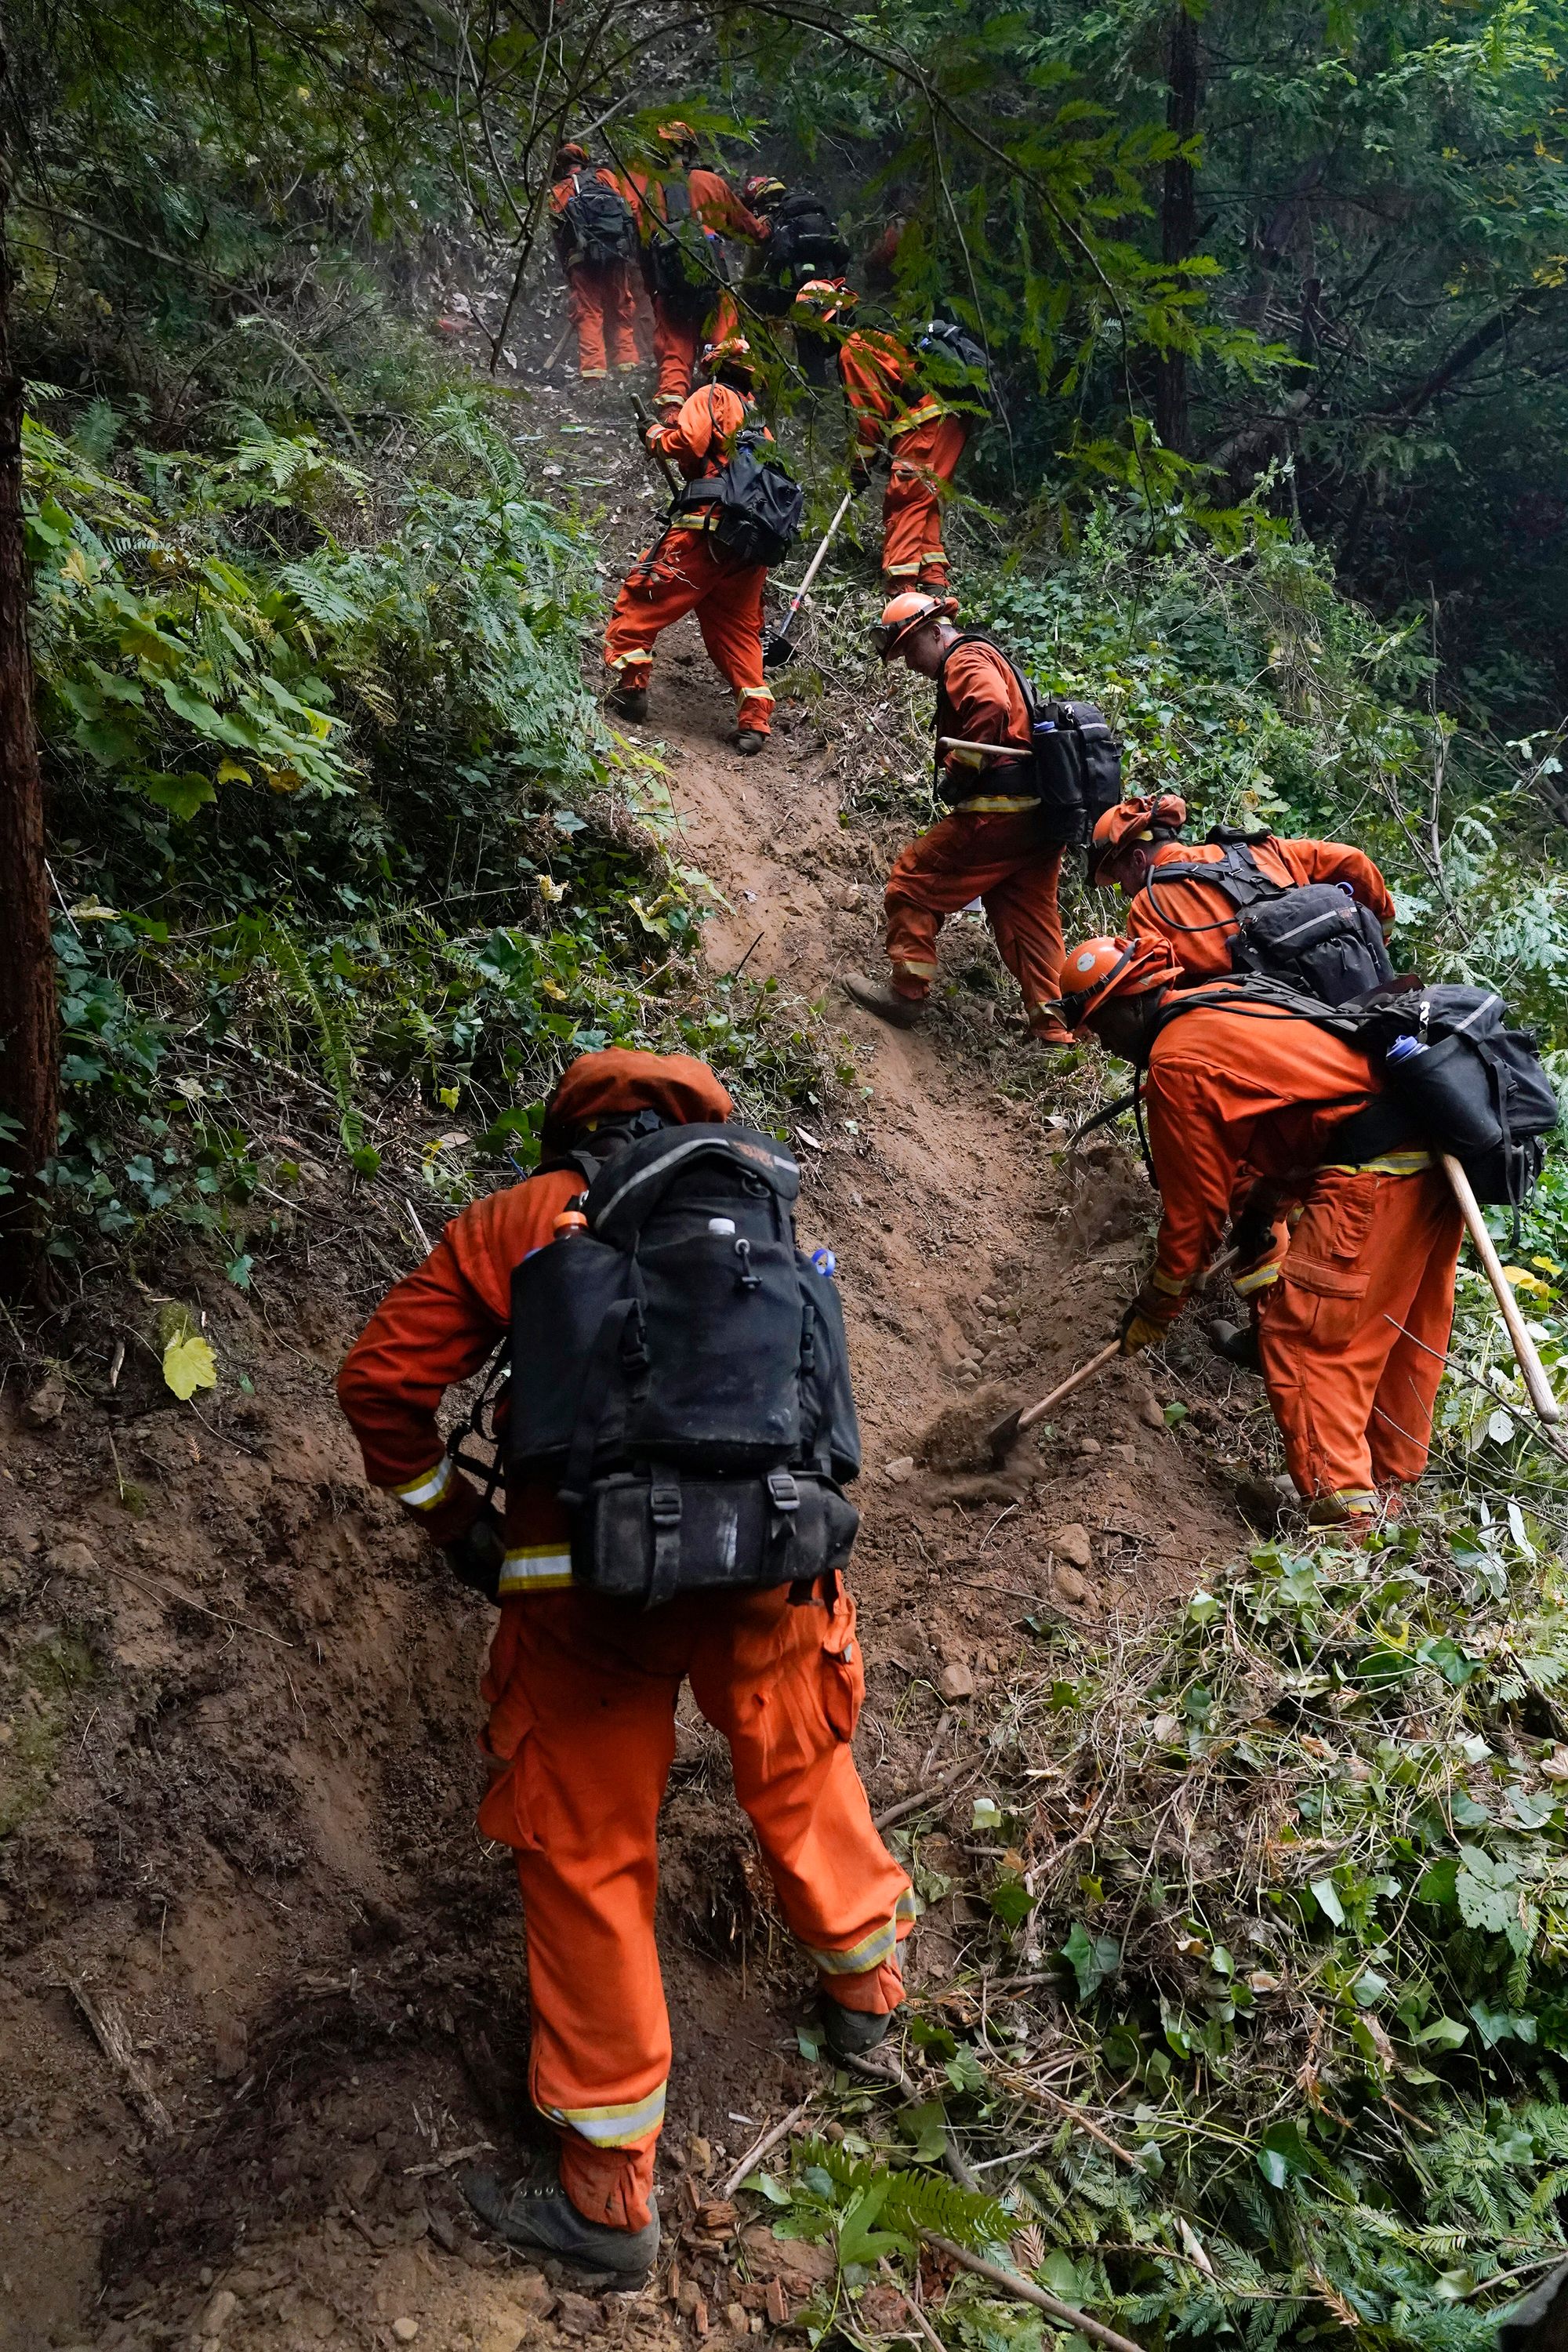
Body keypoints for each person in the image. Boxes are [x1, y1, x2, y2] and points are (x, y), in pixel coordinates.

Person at [336, 1047, 914, 2280]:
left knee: (594, 1854)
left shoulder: (526, 1220)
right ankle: (868, 2012)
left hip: (584, 1591)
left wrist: (459, 1524)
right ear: (710, 1124)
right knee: (801, 1771)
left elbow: (380, 1383)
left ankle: (607, 2203)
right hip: (774, 1568)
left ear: (568, 1127)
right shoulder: (771, 1209)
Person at [1055, 934, 1463, 1538]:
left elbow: (1192, 1217)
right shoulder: (1218, 1001)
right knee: (1401, 1336)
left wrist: (1157, 1304)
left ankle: (1347, 1531)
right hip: (1430, 1161)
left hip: (1372, 1177)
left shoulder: (1175, 1063)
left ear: (1131, 1003)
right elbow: (1296, 1105)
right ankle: (1388, 1496)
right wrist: (1265, 1204)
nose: (1108, 1045)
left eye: (1102, 1025)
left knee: (1307, 1343)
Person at [842, 593, 1073, 1044]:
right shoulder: (979, 655)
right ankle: (1056, 1031)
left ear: (935, 631)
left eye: (910, 649)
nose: (909, 663)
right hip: (1038, 821)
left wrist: (961, 769)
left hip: (999, 815)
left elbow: (989, 705)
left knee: (912, 881)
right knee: (1030, 924)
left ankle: (906, 995)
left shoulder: (965, 658)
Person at [602, 337, 777, 752]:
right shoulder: (760, 423)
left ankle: (630, 689)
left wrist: (654, 436)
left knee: (644, 593)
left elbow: (688, 443)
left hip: (708, 529)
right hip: (749, 544)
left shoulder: (712, 395)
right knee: (736, 629)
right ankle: (754, 721)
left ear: (714, 368)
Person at [1088, 793, 1397, 981]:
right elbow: (1353, 861)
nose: (1125, 890)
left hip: (1255, 1020)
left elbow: (1159, 988)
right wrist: (1380, 937)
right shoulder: (1260, 850)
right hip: (1342, 975)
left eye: (1119, 879)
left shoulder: (1147, 907)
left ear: (1138, 859)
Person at [793, 281, 966, 589]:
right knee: (921, 501)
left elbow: (870, 420)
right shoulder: (876, 335)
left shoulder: (855, 348)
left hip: (926, 419)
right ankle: (933, 581)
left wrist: (859, 468)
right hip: (947, 418)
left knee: (904, 500)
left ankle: (903, 592)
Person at [623, 123, 768, 411]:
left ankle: (671, 421)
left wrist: (656, 292)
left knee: (675, 359)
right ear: (689, 150)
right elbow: (746, 227)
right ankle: (738, 419)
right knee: (729, 354)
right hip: (714, 286)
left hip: (671, 290)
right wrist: (766, 232)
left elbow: (642, 251)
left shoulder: (645, 194)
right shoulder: (708, 182)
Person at [739, 180, 850, 382]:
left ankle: (776, 392)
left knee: (778, 353)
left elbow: (750, 274)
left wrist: (744, 305)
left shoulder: (767, 223)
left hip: (784, 296)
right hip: (820, 291)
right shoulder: (814, 220)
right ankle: (816, 401)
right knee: (812, 349)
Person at [547, 143, 640, 383]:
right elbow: (630, 209)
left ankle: (593, 372)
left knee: (589, 312)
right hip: (616, 254)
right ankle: (627, 364)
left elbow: (560, 234)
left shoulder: (559, 191)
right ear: (585, 162)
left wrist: (568, 267)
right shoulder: (606, 178)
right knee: (622, 305)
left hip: (582, 258)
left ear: (561, 167)